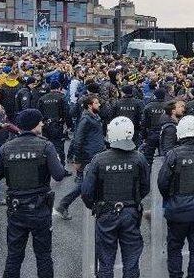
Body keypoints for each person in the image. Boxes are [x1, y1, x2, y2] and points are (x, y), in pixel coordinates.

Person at [0, 109, 66, 278]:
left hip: (16, 210)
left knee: (14, 256)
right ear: (34, 125)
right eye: (40, 121)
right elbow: (58, 174)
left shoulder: (6, 148)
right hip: (40, 209)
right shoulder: (46, 145)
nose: (42, 124)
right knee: (43, 256)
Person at [81, 116, 150, 278]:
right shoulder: (139, 158)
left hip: (106, 213)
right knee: (131, 262)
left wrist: (97, 206)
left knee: (105, 262)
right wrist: (134, 202)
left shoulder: (99, 159)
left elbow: (86, 192)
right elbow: (145, 187)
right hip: (131, 213)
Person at [158, 113, 194, 278]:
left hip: (177, 209)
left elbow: (163, 182)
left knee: (175, 248)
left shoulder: (174, 154)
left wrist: (170, 198)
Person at [55, 94, 105, 220]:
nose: (99, 105)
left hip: (97, 153)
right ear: (90, 105)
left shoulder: (95, 117)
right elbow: (78, 139)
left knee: (94, 182)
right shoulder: (85, 119)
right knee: (84, 184)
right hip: (89, 156)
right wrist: (76, 159)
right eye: (97, 103)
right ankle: (63, 205)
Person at [37, 80, 71, 172]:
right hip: (58, 126)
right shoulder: (62, 97)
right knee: (59, 147)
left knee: (45, 147)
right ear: (59, 88)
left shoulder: (42, 98)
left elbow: (39, 113)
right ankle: (61, 169)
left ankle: (46, 168)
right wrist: (69, 125)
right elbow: (67, 113)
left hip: (45, 126)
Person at [139, 88, 166, 167]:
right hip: (165, 133)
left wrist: (144, 136)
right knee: (166, 157)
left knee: (148, 158)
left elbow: (144, 123)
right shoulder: (169, 105)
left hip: (152, 134)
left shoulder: (149, 106)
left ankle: (147, 175)